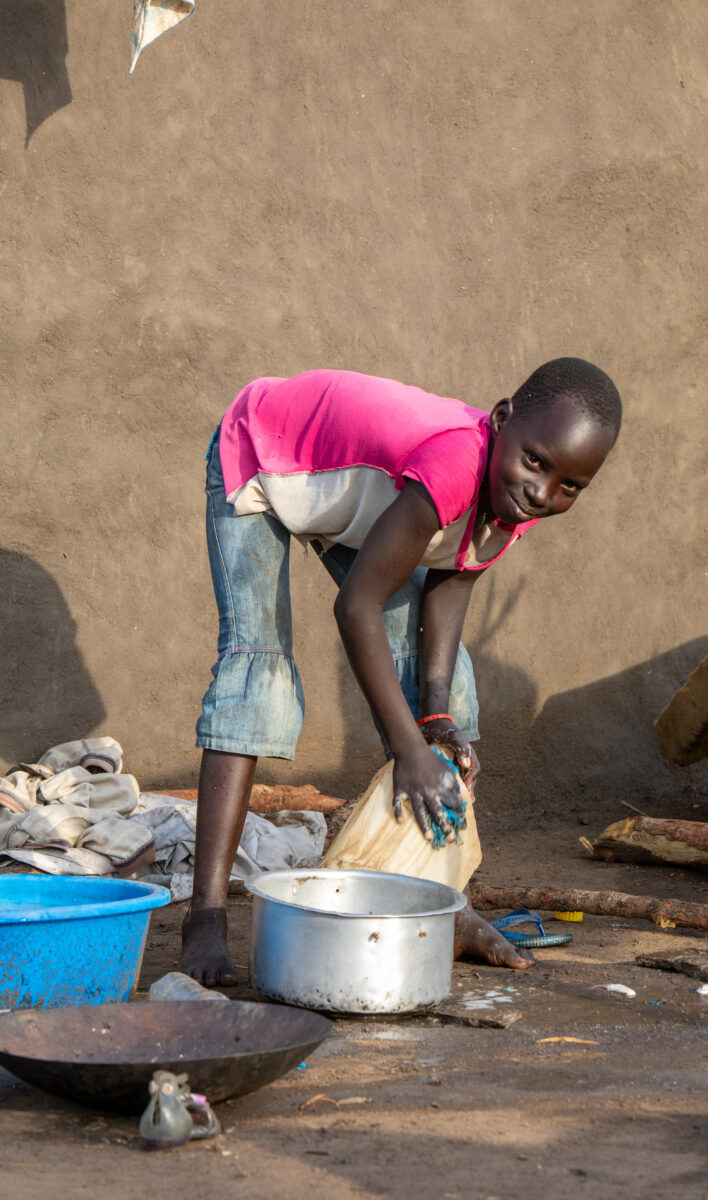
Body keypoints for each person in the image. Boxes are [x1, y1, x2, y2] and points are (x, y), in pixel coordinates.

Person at [180, 358, 622, 984]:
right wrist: (411, 751)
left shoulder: (512, 504)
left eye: (569, 486)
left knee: (445, 689)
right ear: (501, 421)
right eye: (535, 463)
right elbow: (355, 607)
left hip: (358, 500)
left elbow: (452, 582)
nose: (543, 492)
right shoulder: (454, 464)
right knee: (260, 674)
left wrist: (435, 718)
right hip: (265, 455)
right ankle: (205, 920)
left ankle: (445, 903)